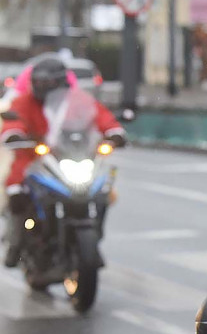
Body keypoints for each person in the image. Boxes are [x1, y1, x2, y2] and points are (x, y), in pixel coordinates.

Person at [2, 57, 126, 267]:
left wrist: (115, 133)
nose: (43, 87)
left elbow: (101, 116)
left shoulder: (77, 100)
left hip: (69, 158)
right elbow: (13, 121)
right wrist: (14, 134)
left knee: (102, 192)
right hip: (34, 159)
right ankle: (15, 244)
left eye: (47, 83)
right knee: (16, 195)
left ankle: (91, 243)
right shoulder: (24, 102)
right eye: (39, 83)